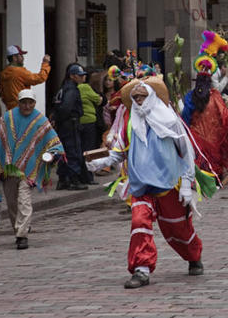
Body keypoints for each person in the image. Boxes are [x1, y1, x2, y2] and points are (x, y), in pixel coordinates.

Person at [86, 78, 204, 288]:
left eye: (142, 96)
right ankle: (141, 269)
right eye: (135, 97)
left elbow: (187, 153)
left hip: (169, 184)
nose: (139, 101)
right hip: (141, 185)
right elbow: (119, 152)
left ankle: (193, 256)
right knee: (139, 223)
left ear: (152, 97)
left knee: (178, 229)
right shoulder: (130, 123)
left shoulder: (170, 120)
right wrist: (100, 163)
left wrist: (186, 184)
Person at [0, 89, 63, 250]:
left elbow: (54, 142)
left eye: (30, 102)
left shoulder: (40, 121)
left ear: (34, 103)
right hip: (8, 168)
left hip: (29, 170)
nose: (27, 106)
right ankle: (19, 228)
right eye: (24, 102)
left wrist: (53, 154)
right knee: (12, 204)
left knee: (24, 201)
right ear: (19, 103)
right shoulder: (7, 118)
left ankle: (22, 235)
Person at [52, 64, 87, 190]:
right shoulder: (71, 89)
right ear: (72, 76)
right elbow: (66, 108)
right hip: (70, 124)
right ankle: (73, 180)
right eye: (80, 75)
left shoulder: (64, 88)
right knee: (72, 151)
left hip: (65, 124)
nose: (83, 78)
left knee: (64, 151)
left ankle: (63, 179)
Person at [0, 45, 51, 111]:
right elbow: (40, 78)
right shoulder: (19, 72)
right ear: (14, 57)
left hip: (10, 110)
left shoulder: (3, 73)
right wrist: (45, 63)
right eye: (21, 55)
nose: (23, 58)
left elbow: (3, 96)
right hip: (22, 110)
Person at [78, 70, 103, 184]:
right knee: (90, 150)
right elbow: (98, 100)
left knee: (80, 149)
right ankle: (88, 176)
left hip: (78, 122)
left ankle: (79, 175)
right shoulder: (86, 87)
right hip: (89, 122)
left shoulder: (74, 88)